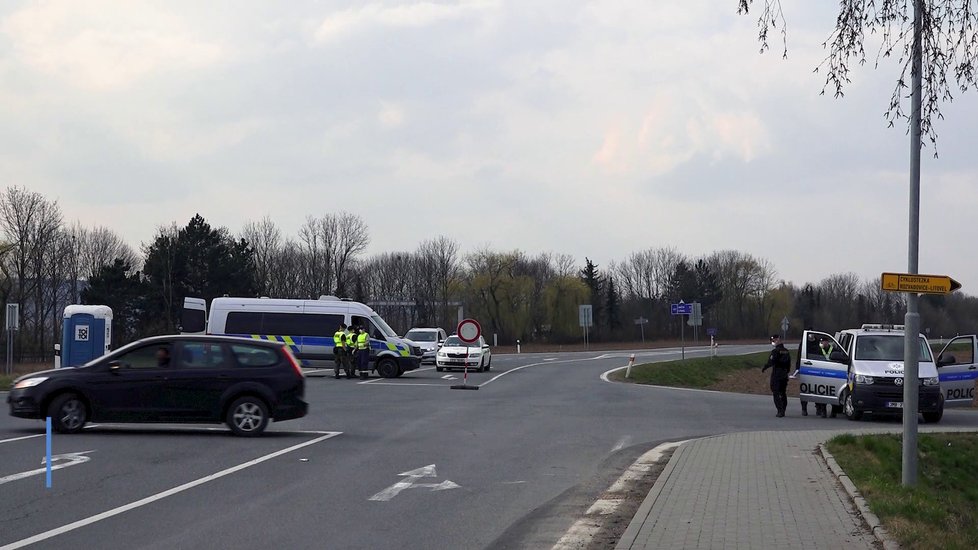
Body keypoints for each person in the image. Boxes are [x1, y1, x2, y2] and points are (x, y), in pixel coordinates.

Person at [762, 334, 792, 417]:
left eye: (774, 340)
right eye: (772, 341)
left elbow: (771, 361)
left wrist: (765, 367)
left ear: (778, 340)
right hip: (784, 374)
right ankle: (783, 409)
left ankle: (780, 410)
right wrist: (787, 372)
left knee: (775, 391)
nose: (773, 342)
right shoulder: (786, 351)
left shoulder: (775, 351)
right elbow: (789, 363)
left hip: (777, 374)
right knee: (783, 392)